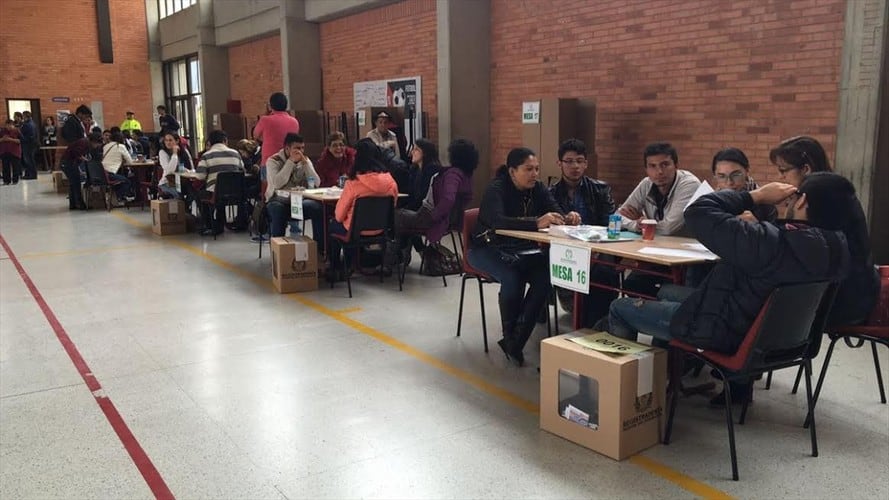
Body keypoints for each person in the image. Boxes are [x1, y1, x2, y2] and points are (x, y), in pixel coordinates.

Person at [608, 175, 872, 402]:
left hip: (720, 331)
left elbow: (698, 212)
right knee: (666, 291)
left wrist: (756, 196)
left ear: (801, 201)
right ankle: (669, 378)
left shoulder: (770, 243)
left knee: (620, 306)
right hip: (776, 338)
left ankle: (626, 396)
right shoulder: (837, 249)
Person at [469, 147, 580, 366]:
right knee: (513, 278)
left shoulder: (537, 188)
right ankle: (513, 339)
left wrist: (567, 217)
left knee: (547, 276)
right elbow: (497, 221)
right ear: (512, 171)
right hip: (485, 248)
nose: (534, 174)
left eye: (537, 169)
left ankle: (514, 341)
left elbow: (553, 210)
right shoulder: (496, 188)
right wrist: (535, 223)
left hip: (520, 249)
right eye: (528, 169)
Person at [769, 137, 879, 328]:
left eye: (783, 171)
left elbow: (795, 251)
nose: (780, 178)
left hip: (843, 300)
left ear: (806, 169)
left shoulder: (821, 199)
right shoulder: (834, 190)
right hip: (858, 292)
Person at [548, 138, 620, 325]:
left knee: (603, 269)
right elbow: (548, 227)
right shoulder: (550, 193)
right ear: (559, 164)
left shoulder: (600, 189)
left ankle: (600, 323)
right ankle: (588, 320)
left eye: (580, 161)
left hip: (597, 246)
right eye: (569, 161)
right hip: (565, 249)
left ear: (586, 164)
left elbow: (610, 224)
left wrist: (598, 244)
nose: (575, 166)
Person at [618, 142, 701, 298]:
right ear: (646, 169)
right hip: (657, 252)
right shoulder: (646, 184)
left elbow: (670, 228)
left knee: (664, 291)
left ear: (676, 165)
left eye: (665, 165)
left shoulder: (689, 184)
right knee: (631, 284)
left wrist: (643, 224)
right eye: (653, 166)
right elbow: (617, 216)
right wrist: (636, 225)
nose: (659, 172)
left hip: (687, 257)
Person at [327, 138, 398, 282]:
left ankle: (336, 267)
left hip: (355, 231)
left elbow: (339, 216)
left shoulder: (353, 184)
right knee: (349, 226)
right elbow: (393, 207)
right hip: (382, 230)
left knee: (334, 225)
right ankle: (352, 266)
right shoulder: (391, 182)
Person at [394, 138, 478, 260]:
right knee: (403, 217)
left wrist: (434, 216)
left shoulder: (452, 175)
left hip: (432, 216)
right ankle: (409, 253)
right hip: (445, 217)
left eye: (416, 149)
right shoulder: (466, 176)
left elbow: (448, 199)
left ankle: (397, 258)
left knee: (395, 216)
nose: (412, 152)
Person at [264, 133, 321, 238]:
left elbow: (316, 183)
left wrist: (306, 165)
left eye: (302, 148)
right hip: (277, 200)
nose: (300, 151)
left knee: (316, 207)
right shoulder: (273, 161)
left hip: (297, 201)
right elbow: (277, 183)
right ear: (287, 148)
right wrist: (290, 162)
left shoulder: (304, 160)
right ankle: (279, 249)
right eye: (297, 148)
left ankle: (320, 249)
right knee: (278, 209)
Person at [194, 130, 245, 235]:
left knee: (198, 194)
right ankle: (239, 223)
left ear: (210, 142)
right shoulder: (236, 154)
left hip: (215, 194)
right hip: (236, 193)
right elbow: (242, 170)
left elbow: (200, 176)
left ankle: (209, 225)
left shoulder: (206, 155)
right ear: (225, 141)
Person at [711, 147, 777, 222]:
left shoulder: (765, 204)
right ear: (715, 176)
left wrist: (757, 227)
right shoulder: (710, 204)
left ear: (747, 171)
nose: (729, 182)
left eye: (735, 175)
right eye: (722, 176)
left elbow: (775, 232)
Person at [253, 92, 300, 194]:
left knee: (267, 191)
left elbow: (256, 135)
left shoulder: (265, 120)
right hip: (289, 160)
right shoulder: (294, 121)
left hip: (268, 160)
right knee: (288, 190)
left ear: (271, 105)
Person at [60, 132, 103, 209]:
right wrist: (86, 160)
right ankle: (80, 204)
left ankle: (73, 204)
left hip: (69, 163)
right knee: (76, 183)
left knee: (73, 184)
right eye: (97, 144)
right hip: (68, 163)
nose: (96, 146)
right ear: (93, 141)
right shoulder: (83, 142)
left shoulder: (85, 143)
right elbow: (77, 153)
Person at [101, 127, 136, 203]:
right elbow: (130, 162)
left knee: (121, 178)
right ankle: (118, 197)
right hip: (110, 173)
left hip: (103, 172)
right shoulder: (120, 146)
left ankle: (116, 197)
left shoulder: (106, 146)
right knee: (127, 181)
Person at [157, 131, 194, 200]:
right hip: (168, 182)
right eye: (166, 140)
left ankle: (189, 209)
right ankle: (181, 209)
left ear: (177, 141)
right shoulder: (162, 153)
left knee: (194, 193)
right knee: (178, 195)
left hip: (183, 180)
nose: (168, 143)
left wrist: (188, 171)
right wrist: (174, 154)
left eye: (170, 140)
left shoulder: (184, 151)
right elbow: (169, 170)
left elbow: (191, 166)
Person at [0, 120, 23, 185]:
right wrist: (2, 139)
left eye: (10, 125)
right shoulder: (2, 131)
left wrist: (11, 139)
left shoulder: (17, 131)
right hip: (4, 151)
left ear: (12, 125)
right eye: (7, 125)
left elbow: (20, 141)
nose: (8, 127)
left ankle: (15, 180)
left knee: (15, 166)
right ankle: (6, 180)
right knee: (5, 167)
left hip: (14, 151)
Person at [19, 111, 38, 179]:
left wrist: (20, 135)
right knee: (29, 159)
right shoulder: (32, 123)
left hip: (28, 144)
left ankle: (32, 175)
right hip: (31, 144)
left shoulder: (28, 124)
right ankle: (29, 174)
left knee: (29, 160)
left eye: (23, 116)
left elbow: (30, 136)